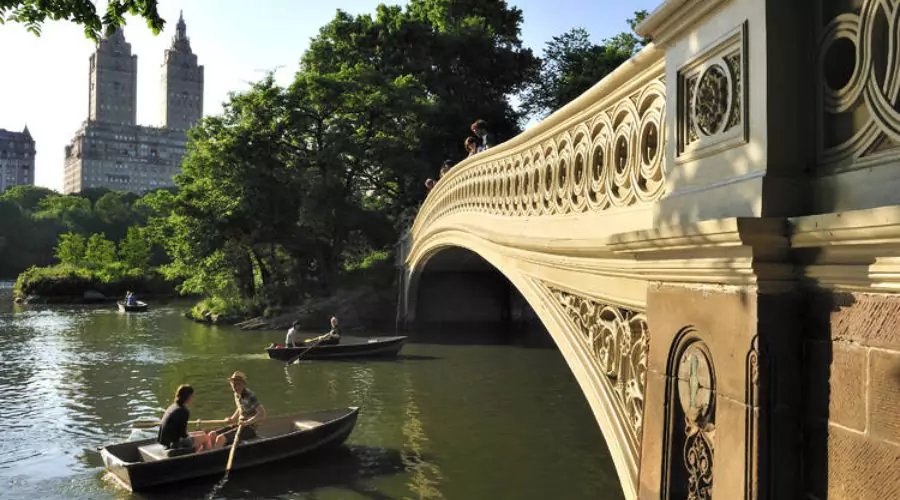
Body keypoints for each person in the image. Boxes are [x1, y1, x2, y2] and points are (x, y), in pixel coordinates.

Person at [208, 371, 266, 449]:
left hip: (250, 428)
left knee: (220, 438)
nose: (236, 387)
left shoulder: (250, 396)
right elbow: (240, 409)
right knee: (212, 434)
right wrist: (232, 418)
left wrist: (246, 422)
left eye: (238, 384)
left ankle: (214, 458)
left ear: (243, 384)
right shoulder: (237, 394)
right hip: (240, 424)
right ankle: (211, 452)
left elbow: (262, 413)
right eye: (234, 384)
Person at [157, 384, 211, 453]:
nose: (193, 398)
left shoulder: (173, 406)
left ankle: (197, 452)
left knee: (201, 433)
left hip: (165, 441)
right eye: (192, 396)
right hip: (174, 443)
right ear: (188, 397)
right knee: (205, 438)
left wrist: (194, 434)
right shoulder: (183, 411)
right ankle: (204, 456)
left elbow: (181, 431)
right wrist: (193, 437)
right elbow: (183, 435)